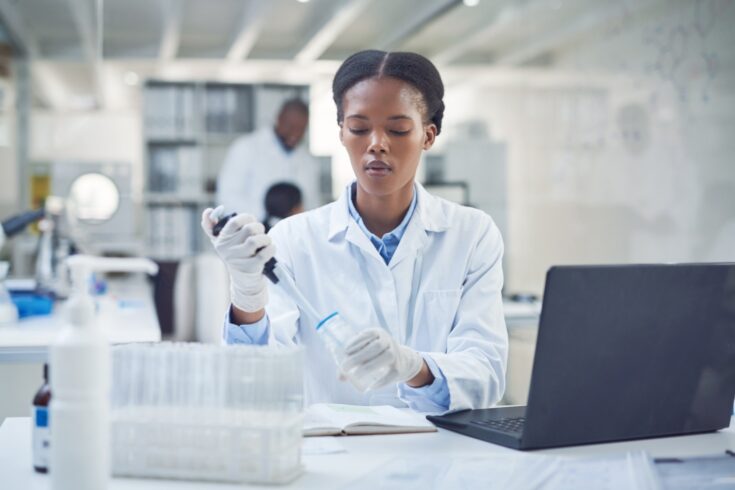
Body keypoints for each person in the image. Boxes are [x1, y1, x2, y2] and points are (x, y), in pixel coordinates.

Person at [202, 50, 507, 414]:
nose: (376, 143)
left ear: (428, 136)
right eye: (359, 128)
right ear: (343, 135)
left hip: (439, 455)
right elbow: (253, 381)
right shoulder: (295, 238)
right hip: (336, 457)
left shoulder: (472, 234)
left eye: (397, 129)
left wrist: (415, 367)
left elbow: (486, 374)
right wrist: (248, 295)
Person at [216, 98, 320, 220]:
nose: (295, 134)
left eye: (301, 129)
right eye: (290, 126)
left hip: (294, 233)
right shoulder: (246, 148)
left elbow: (313, 204)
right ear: (278, 119)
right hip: (253, 232)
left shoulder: (308, 161)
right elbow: (226, 198)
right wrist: (269, 215)